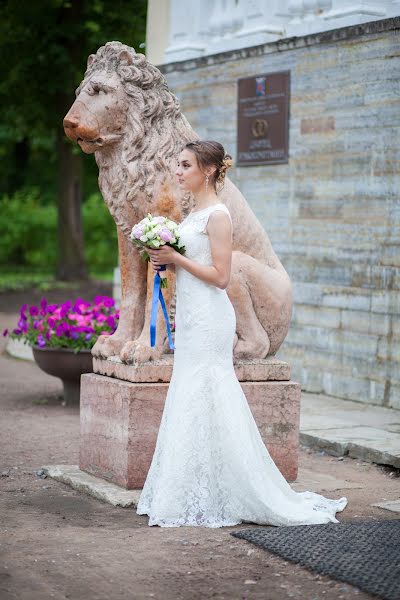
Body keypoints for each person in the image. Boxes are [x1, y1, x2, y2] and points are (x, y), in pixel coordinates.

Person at [136, 140, 347, 528]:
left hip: (211, 318)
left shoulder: (218, 215)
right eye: (178, 165)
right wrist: (164, 262)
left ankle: (235, 488)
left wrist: (176, 257)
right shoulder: (192, 213)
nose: (178, 171)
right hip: (193, 315)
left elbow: (221, 276)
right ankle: (191, 489)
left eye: (185, 165)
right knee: (189, 389)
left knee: (210, 387)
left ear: (210, 170)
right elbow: (194, 265)